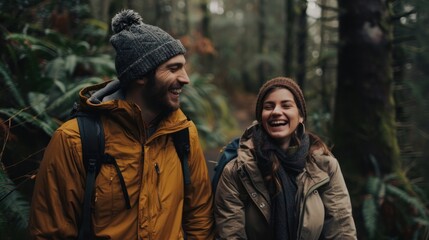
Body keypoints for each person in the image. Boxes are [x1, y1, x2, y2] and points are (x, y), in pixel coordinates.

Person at [29, 9, 215, 239]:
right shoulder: (74, 140)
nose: (185, 78)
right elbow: (50, 232)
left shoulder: (184, 135)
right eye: (173, 68)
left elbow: (199, 218)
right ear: (141, 75)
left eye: (183, 67)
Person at [214, 77, 357, 239]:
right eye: (268, 107)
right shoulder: (237, 171)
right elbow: (230, 234)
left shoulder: (325, 166)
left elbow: (341, 230)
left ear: (301, 116)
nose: (276, 111)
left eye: (286, 105)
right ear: (261, 117)